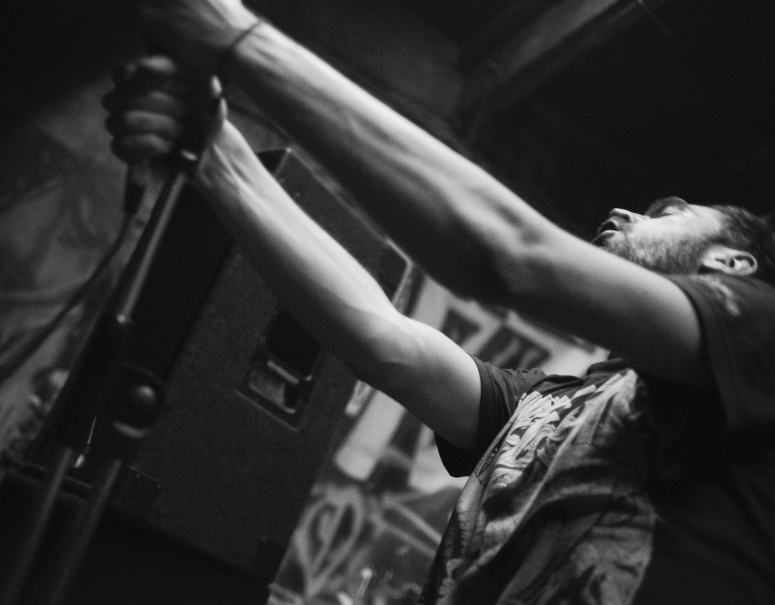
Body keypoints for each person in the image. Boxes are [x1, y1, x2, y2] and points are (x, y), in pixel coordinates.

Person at [102, 1, 775, 603]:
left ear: (730, 266)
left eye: (668, 211)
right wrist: (219, 156)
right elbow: (385, 343)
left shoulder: (760, 332)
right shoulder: (549, 403)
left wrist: (235, 37)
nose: (627, 211)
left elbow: (511, 255)